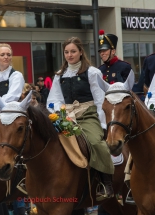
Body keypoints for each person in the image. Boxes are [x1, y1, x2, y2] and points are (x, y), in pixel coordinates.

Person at [46, 37, 114, 201]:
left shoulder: (92, 72)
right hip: (66, 116)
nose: (69, 55)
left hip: (88, 114)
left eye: (73, 51)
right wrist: (60, 114)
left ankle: (106, 182)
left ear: (81, 52)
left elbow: (100, 100)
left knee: (96, 142)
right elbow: (53, 101)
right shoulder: (59, 75)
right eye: (67, 52)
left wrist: (103, 125)